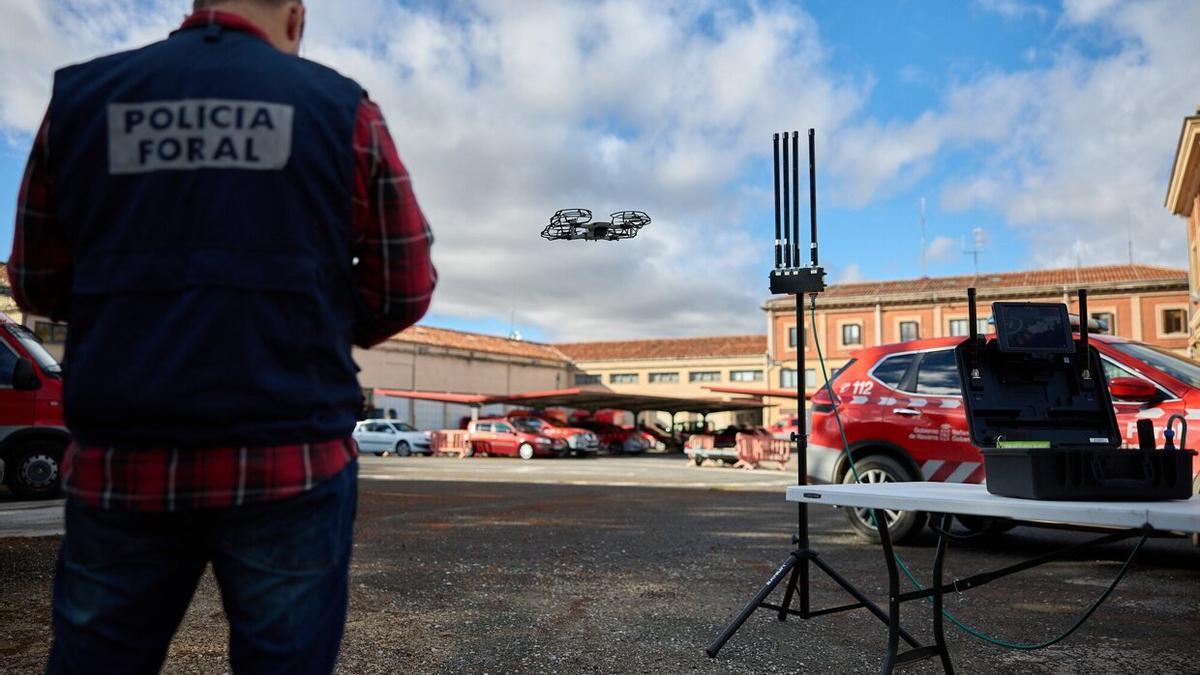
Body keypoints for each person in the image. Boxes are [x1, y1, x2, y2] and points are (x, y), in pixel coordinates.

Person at [8, 0, 437, 672]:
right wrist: (304, 322)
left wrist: (133, 318)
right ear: (295, 17)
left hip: (124, 462)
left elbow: (35, 280)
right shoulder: (343, 111)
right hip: (290, 462)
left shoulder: (83, 101)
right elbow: (404, 286)